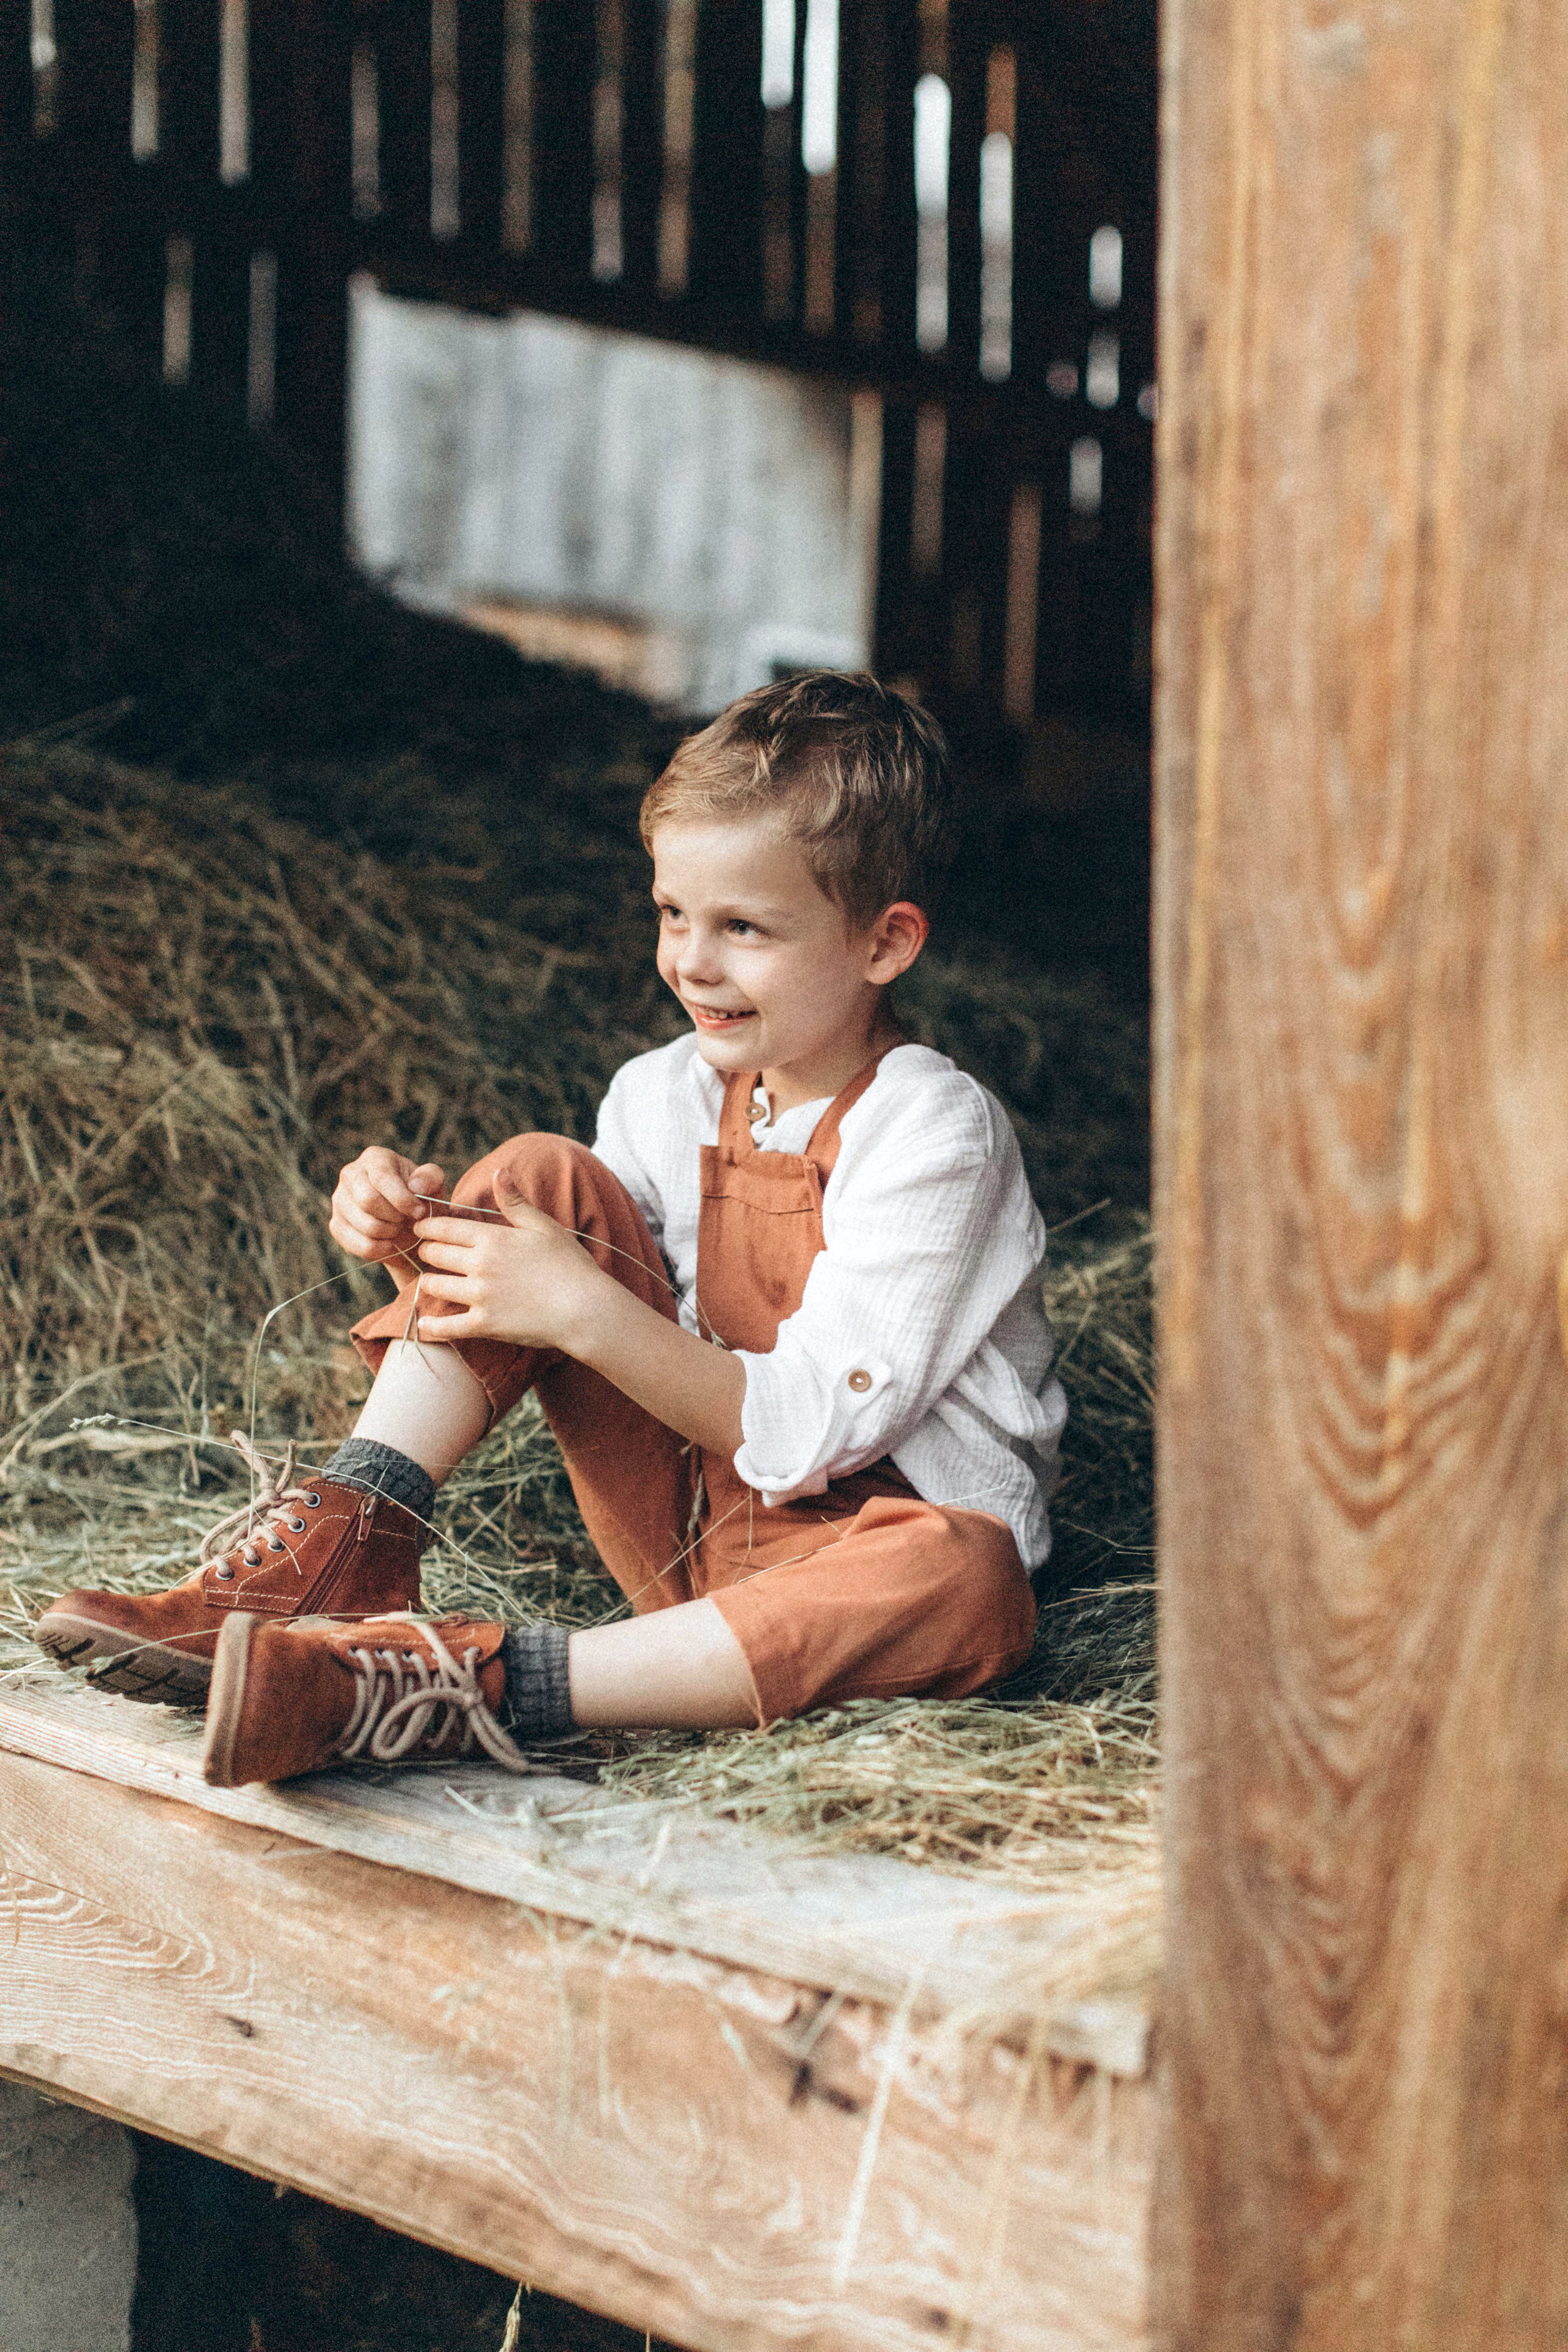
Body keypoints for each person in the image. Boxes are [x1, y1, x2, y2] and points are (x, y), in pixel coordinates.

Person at [36, 672, 1066, 1789]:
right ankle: (341, 1549)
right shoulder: (662, 1093)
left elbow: (815, 1430)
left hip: (860, 1575)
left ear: (885, 943)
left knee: (972, 1576)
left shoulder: (933, 1129)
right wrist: (428, 1239)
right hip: (691, 1538)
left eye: (744, 928)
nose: (692, 961)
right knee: (538, 1179)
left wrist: (572, 1305)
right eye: (674, 912)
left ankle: (466, 1684)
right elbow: (579, 1285)